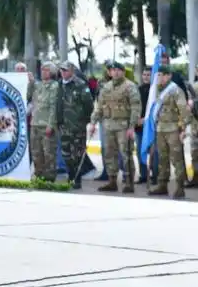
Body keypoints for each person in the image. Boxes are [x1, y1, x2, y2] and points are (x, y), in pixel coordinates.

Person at [89, 62, 141, 193]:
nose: (116, 72)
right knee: (109, 153)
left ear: (123, 72)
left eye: (118, 70)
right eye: (113, 70)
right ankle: (112, 181)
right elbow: (99, 106)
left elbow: (136, 107)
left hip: (123, 126)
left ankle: (129, 182)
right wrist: (93, 122)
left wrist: (132, 126)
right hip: (108, 125)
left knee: (126, 153)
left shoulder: (130, 86)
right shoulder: (106, 87)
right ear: (109, 72)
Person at [148, 65, 189, 198]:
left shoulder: (175, 90)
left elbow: (183, 111)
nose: (160, 77)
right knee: (162, 159)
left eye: (163, 75)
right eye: (158, 75)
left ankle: (179, 186)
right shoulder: (156, 90)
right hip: (160, 129)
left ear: (169, 76)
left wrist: (182, 129)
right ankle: (162, 185)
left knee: (176, 159)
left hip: (173, 129)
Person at [56, 61, 93, 188]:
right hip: (63, 126)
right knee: (66, 154)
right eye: (61, 70)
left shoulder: (80, 85)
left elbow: (89, 105)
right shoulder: (59, 85)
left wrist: (85, 120)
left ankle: (77, 179)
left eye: (65, 70)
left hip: (77, 126)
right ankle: (71, 174)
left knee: (77, 154)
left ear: (72, 71)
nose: (63, 72)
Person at [28, 62, 59, 182]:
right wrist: (30, 82)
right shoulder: (38, 85)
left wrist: (50, 125)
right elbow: (28, 95)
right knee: (36, 152)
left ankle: (50, 178)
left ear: (51, 72)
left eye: (46, 70)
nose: (43, 72)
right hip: (35, 123)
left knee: (49, 153)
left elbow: (53, 107)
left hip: (46, 124)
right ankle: (39, 175)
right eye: (42, 70)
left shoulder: (54, 86)